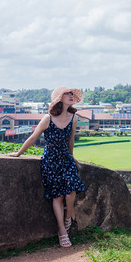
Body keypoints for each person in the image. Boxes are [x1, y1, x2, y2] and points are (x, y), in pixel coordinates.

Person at [9, 86, 86, 248]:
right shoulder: (48, 118)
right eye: (67, 94)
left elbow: (71, 139)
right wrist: (18, 153)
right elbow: (33, 137)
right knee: (57, 196)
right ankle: (62, 231)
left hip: (65, 158)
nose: (71, 96)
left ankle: (67, 217)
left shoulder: (74, 118)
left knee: (71, 190)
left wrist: (71, 156)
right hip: (50, 160)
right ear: (59, 98)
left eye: (72, 94)